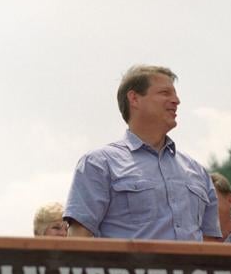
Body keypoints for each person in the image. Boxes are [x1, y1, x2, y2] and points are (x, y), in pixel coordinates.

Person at [64, 65, 221, 241]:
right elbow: (78, 242)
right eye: (165, 93)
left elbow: (212, 246)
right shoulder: (98, 164)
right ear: (134, 99)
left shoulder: (198, 171)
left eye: (175, 94)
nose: (176, 100)